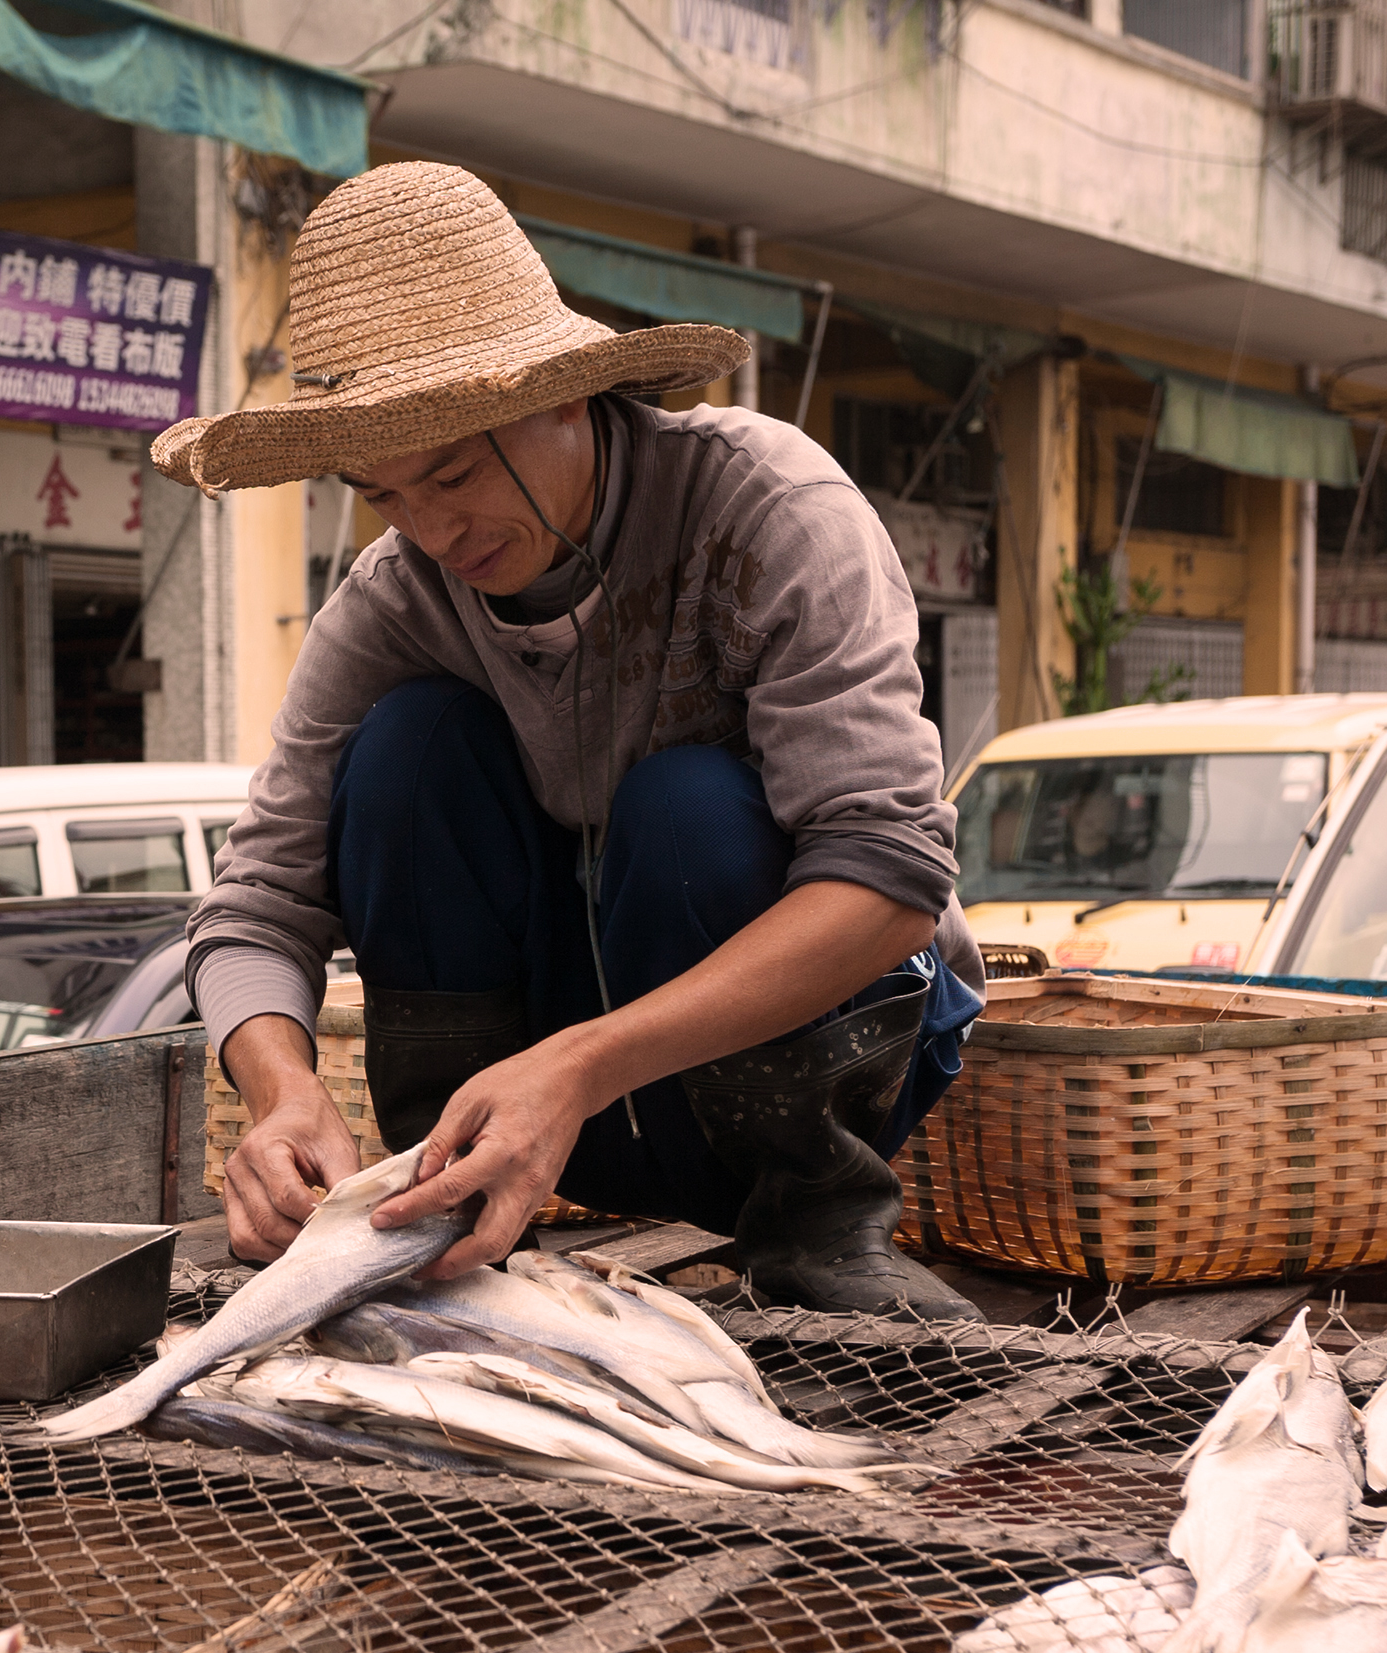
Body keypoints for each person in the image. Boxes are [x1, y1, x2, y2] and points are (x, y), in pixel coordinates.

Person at [158, 164, 986, 1319]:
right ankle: (445, 1198)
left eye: (452, 470)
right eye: (383, 494)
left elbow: (891, 880)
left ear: (566, 398)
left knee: (684, 805)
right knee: (407, 748)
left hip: (816, 1071)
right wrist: (280, 1091)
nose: (431, 528)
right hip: (542, 1110)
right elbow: (255, 902)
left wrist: (581, 1063)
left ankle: (813, 1220)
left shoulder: (765, 509)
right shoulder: (396, 598)